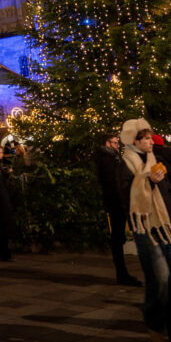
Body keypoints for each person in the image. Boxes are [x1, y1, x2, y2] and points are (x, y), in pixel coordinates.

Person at [119, 119, 171, 342]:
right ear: (134, 140)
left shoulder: (154, 159)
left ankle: (163, 323)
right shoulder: (124, 163)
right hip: (145, 228)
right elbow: (124, 196)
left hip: (165, 226)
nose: (151, 142)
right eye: (146, 138)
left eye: (151, 137)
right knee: (160, 278)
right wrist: (146, 182)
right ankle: (154, 323)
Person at [94, 130, 141, 286]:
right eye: (115, 142)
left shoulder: (109, 158)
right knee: (117, 237)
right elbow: (113, 183)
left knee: (118, 236)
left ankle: (122, 273)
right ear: (108, 143)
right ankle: (121, 273)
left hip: (116, 201)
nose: (117, 145)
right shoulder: (108, 159)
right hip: (116, 202)